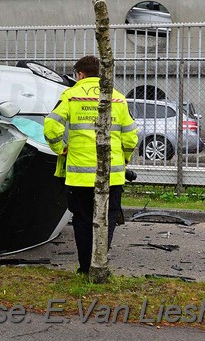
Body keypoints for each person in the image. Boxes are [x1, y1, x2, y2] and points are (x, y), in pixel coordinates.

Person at [44, 55, 138, 274]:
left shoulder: (71, 95)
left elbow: (51, 126)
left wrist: (60, 148)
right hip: (112, 174)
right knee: (108, 218)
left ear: (80, 74)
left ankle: (86, 267)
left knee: (83, 220)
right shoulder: (117, 98)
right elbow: (131, 136)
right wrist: (124, 158)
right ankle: (100, 262)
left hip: (79, 176)